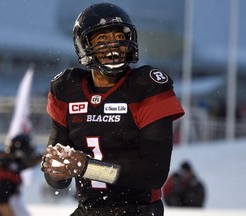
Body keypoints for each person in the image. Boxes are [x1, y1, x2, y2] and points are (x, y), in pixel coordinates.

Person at [40, 3, 184, 216]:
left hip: (138, 210)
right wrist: (57, 170)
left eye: (119, 37)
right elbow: (56, 181)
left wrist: (87, 168)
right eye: (102, 40)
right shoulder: (67, 88)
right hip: (88, 210)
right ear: (84, 44)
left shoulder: (146, 86)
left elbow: (154, 173)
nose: (113, 46)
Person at [0, 134, 41, 216]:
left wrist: (44, 156)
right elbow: (2, 205)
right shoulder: (8, 174)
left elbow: (21, 164)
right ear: (20, 153)